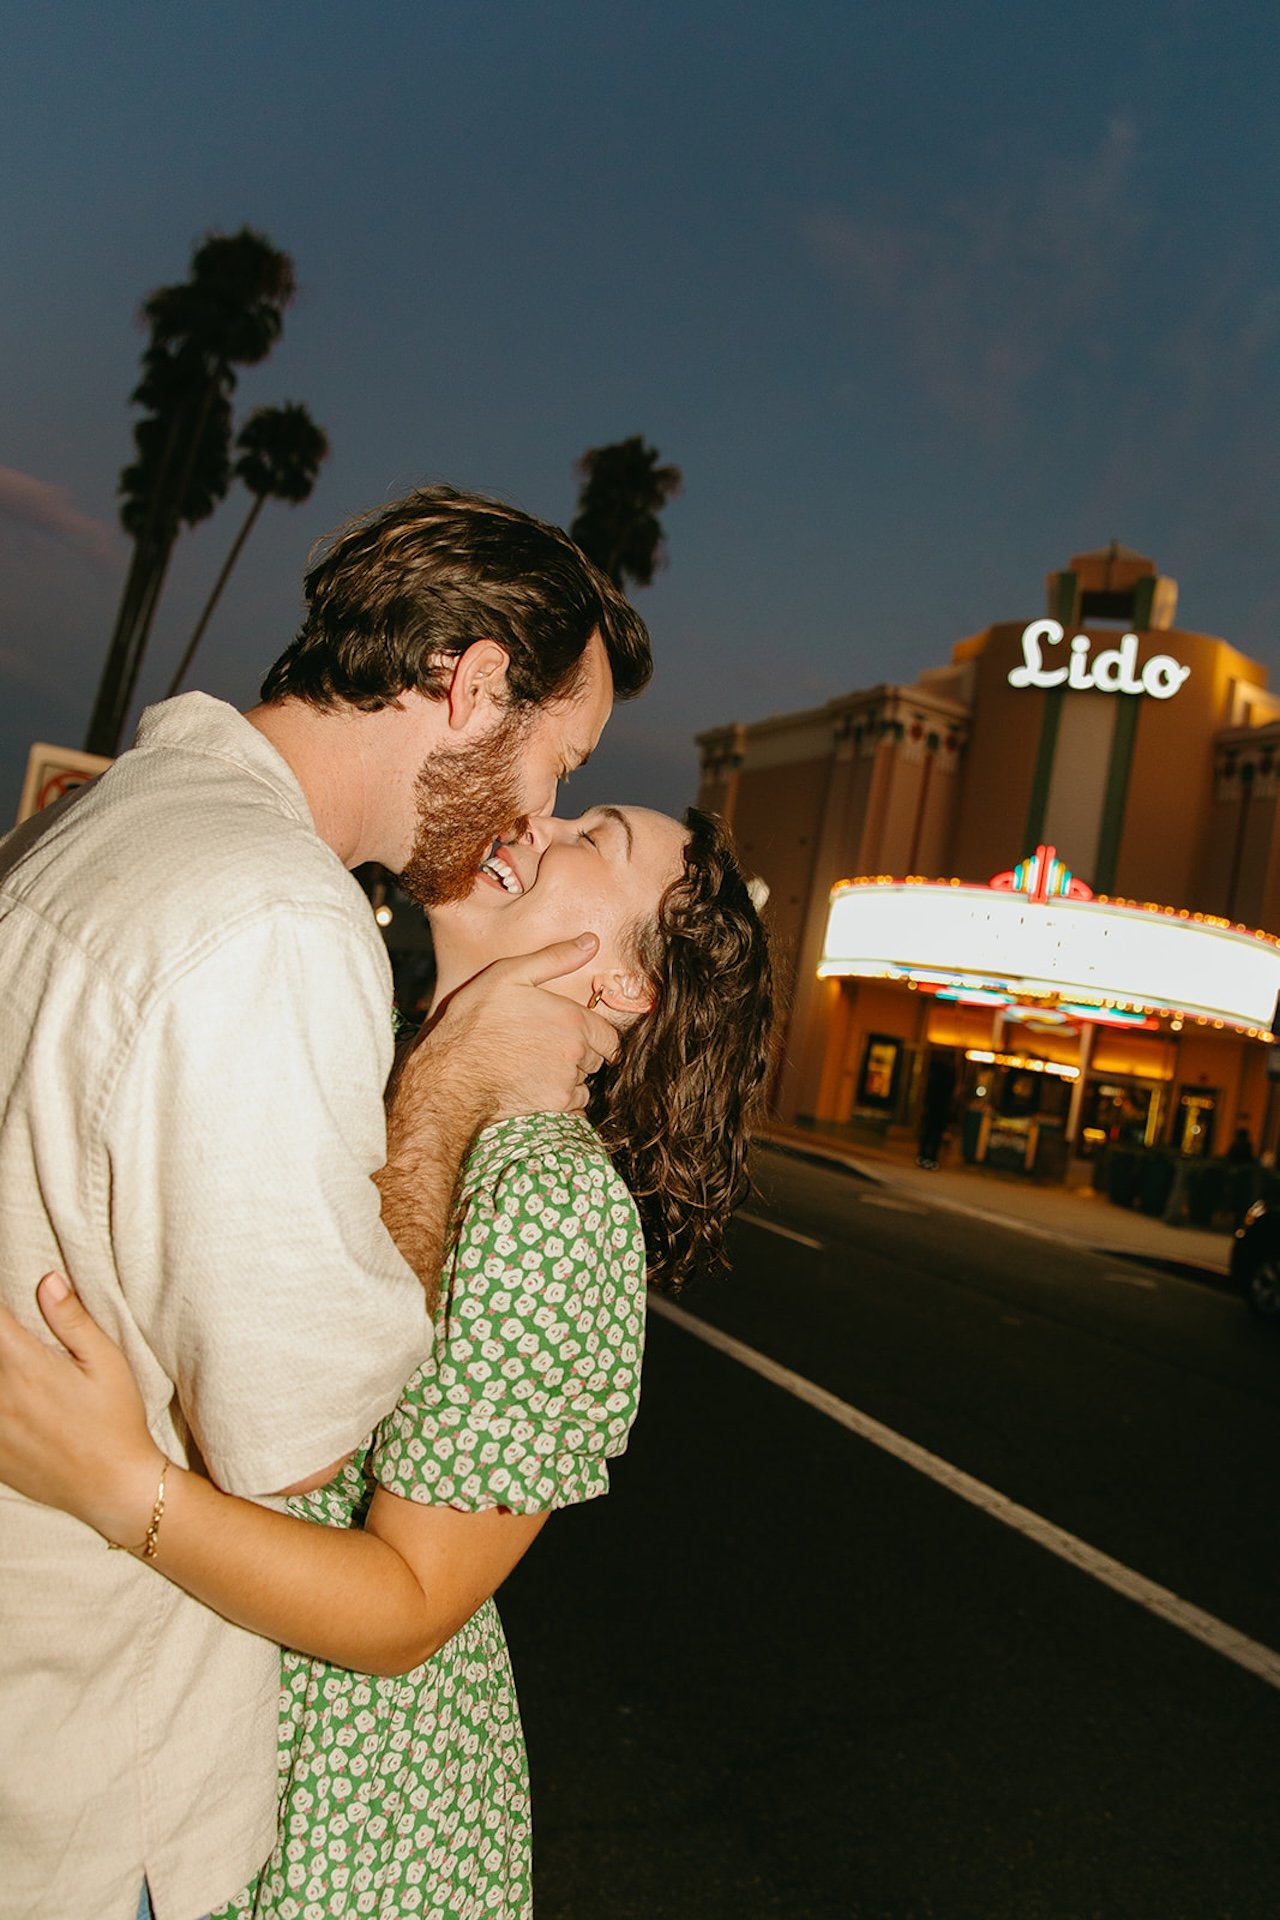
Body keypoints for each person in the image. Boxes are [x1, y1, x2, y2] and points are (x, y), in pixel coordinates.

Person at [0, 485, 652, 1920]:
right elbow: (296, 1439)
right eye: (564, 759)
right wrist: (432, 1104)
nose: (538, 815)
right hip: (88, 1778)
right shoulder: (278, 920)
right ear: (476, 684)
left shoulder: (108, 824)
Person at [0, 804, 776, 1918]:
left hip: (342, 1822)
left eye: (592, 838)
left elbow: (409, 1604)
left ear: (624, 987)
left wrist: (119, 1485)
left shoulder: (551, 1201)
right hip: (182, 1747)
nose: (536, 819)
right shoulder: (379, 1079)